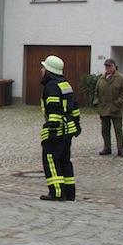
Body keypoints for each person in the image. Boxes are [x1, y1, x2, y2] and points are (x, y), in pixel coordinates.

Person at [39, 55, 80, 201]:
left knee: (50, 159)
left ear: (49, 71)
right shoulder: (65, 85)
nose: (41, 70)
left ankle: (56, 192)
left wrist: (52, 128)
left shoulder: (51, 86)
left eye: (44, 68)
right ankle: (69, 193)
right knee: (64, 160)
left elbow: (54, 107)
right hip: (68, 129)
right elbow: (75, 106)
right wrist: (76, 124)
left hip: (58, 130)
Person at [94, 58, 123, 157]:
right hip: (103, 108)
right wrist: (97, 103)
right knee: (105, 130)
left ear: (114, 66)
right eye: (106, 66)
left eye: (109, 66)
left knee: (118, 129)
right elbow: (96, 93)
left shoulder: (120, 78)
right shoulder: (101, 79)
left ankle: (121, 149)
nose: (107, 68)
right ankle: (107, 147)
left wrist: (118, 103)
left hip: (115, 109)